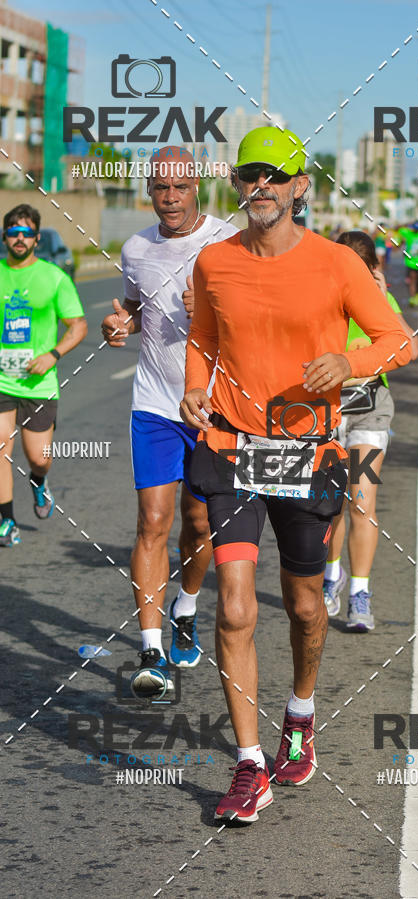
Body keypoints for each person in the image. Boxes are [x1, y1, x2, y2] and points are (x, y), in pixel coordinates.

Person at [179, 126, 414, 824]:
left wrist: (349, 362)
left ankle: (301, 711)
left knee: (308, 605)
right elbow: (204, 339)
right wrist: (196, 386)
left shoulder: (338, 264)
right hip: (230, 444)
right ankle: (250, 764)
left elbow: (399, 337)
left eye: (276, 176)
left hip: (308, 451)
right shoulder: (213, 263)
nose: (262, 186)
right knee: (236, 604)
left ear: (300, 186)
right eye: (250, 174)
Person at [101, 147, 238, 698]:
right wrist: (119, 324)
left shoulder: (228, 240)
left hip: (212, 405)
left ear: (197, 187)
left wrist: (211, 305)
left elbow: (252, 316)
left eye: (180, 187)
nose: (170, 196)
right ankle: (152, 648)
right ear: (150, 189)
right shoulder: (136, 247)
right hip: (154, 403)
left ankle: (186, 606)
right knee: (152, 521)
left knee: (199, 523)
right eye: (161, 187)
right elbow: (136, 308)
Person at [323, 231, 418, 630]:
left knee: (361, 502)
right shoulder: (320, 296)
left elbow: (409, 346)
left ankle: (359, 593)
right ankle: (332, 578)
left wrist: (382, 298)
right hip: (325, 415)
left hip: (369, 412)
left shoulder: (380, 300)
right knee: (330, 506)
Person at [0, 204, 87, 547]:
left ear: (36, 238)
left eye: (26, 233)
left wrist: (53, 355)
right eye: (12, 232)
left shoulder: (54, 277)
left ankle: (38, 481)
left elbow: (77, 325)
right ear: (5, 237)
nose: (19, 238)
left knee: (39, 458)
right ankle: (7, 520)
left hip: (39, 384)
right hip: (2, 381)